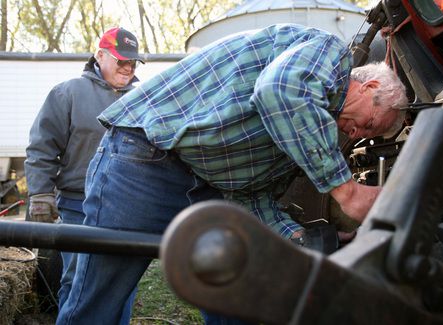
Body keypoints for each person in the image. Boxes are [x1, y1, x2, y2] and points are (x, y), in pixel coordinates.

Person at [57, 24, 407, 324]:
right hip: (146, 160)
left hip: (207, 186)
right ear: (369, 88)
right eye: (371, 124)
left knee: (234, 295)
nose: (360, 135)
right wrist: (348, 191)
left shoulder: (309, 132)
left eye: (370, 136)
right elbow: (278, 90)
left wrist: (303, 240)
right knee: (99, 296)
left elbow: (252, 197)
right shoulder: (329, 53)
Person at [24, 27, 144, 323]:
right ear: (100, 55)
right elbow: (42, 147)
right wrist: (40, 193)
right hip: (78, 204)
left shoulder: (142, 99)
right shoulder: (68, 93)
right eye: (121, 61)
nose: (128, 68)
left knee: (122, 282)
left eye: (133, 63)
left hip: (126, 207)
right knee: (77, 279)